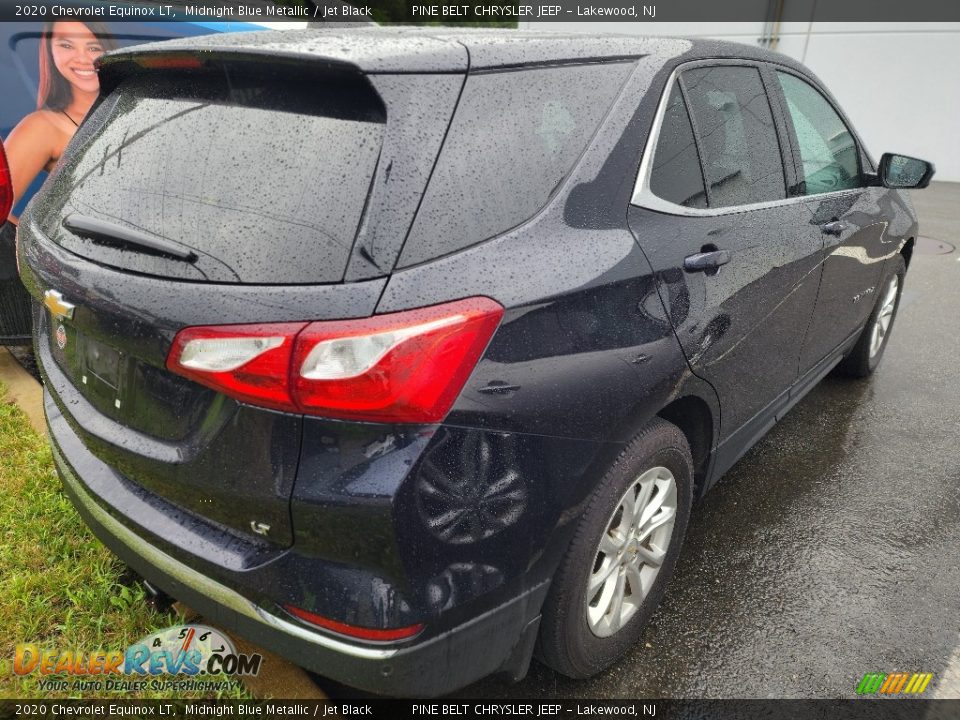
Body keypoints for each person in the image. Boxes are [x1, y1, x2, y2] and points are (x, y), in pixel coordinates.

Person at [4, 20, 116, 224]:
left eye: (93, 47)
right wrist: (40, 253)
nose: (82, 58)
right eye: (66, 45)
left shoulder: (141, 110)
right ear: (50, 52)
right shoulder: (44, 126)